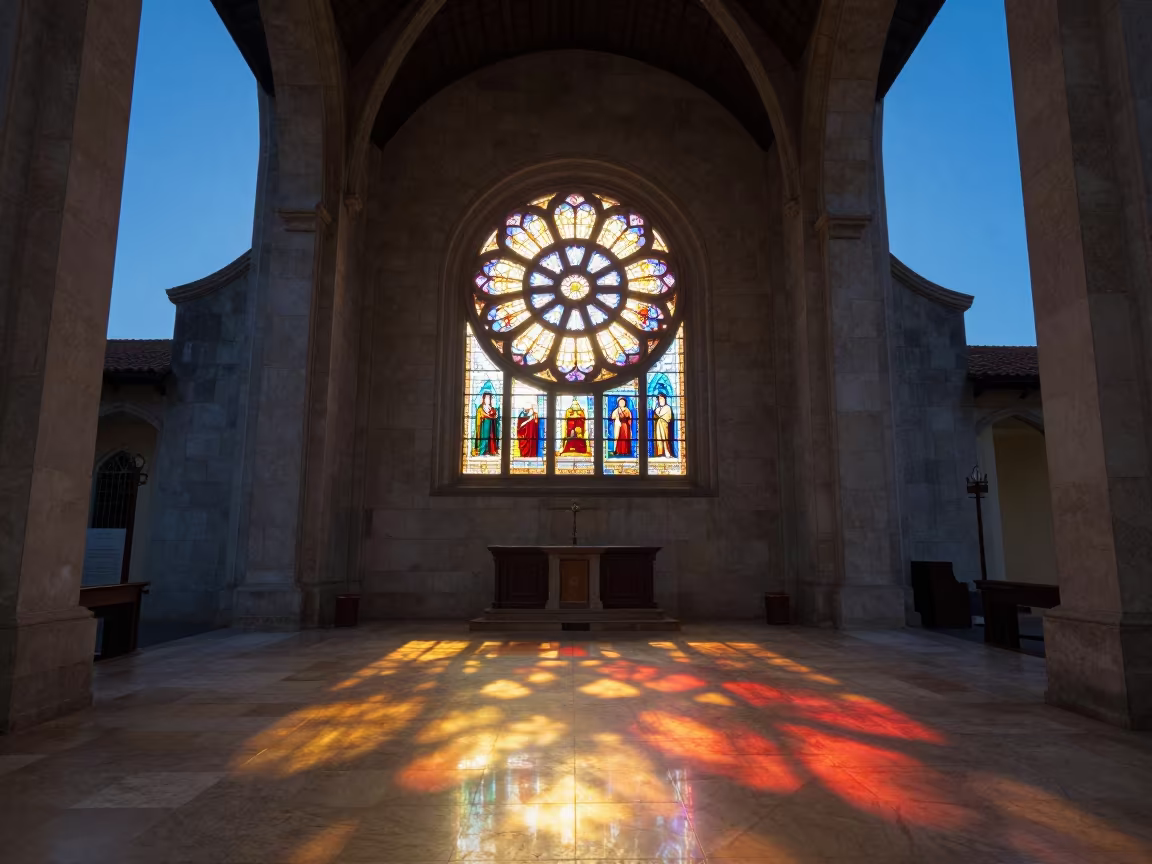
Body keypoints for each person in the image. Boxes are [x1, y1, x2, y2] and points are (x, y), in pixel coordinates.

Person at [472, 391, 499, 456]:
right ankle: (482, 451)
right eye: (487, 398)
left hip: (491, 428)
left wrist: (495, 416)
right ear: (484, 398)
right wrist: (489, 416)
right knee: (484, 439)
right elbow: (481, 415)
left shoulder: (492, 408)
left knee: (490, 439)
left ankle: (489, 451)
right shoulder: (480, 408)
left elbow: (495, 416)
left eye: (490, 398)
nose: (488, 399)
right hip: (483, 427)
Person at [651, 393, 675, 457]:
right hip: (658, 425)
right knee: (658, 438)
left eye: (662, 399)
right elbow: (654, 417)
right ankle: (660, 453)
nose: (660, 400)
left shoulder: (667, 408)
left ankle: (667, 452)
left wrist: (657, 413)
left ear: (665, 399)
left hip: (664, 425)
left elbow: (668, 417)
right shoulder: (657, 408)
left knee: (665, 438)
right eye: (659, 399)